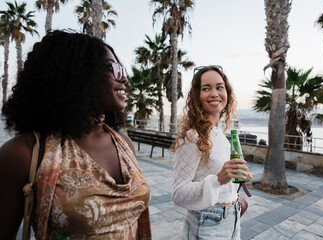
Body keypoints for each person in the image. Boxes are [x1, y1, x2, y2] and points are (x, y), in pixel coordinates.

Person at [0, 30, 151, 240]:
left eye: (121, 69)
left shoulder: (124, 143)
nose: (124, 77)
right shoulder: (25, 153)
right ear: (76, 75)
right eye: (112, 69)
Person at [171, 65, 252, 239]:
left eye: (219, 87)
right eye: (206, 88)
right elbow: (178, 194)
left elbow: (220, 181)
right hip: (208, 222)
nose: (214, 93)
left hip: (232, 218)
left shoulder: (218, 132)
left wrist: (238, 177)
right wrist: (218, 179)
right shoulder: (193, 137)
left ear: (227, 93)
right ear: (197, 96)